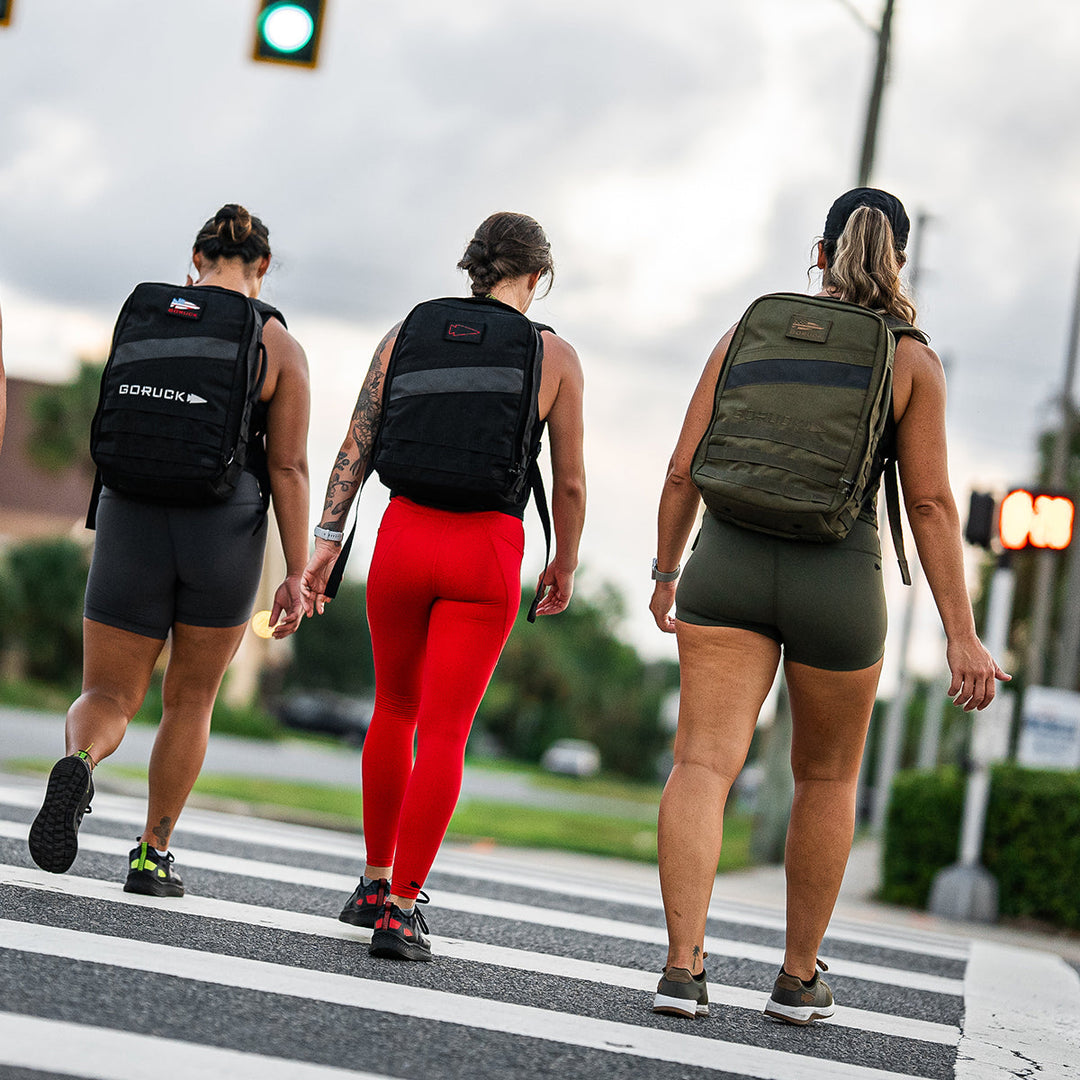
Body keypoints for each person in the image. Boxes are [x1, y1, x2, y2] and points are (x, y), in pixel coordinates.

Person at [648, 188, 1009, 1024]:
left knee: (702, 764)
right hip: (839, 582)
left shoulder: (749, 330)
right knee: (828, 776)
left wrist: (667, 572)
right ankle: (797, 977)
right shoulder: (911, 358)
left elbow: (681, 467)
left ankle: (682, 967)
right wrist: (963, 635)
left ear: (820, 251)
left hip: (727, 566)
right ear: (902, 262)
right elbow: (928, 507)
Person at [301, 211, 586, 962]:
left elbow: (356, 443)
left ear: (472, 268)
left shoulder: (407, 333)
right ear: (538, 275)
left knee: (392, 708)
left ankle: (373, 880)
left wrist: (327, 542)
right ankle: (401, 912)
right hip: (486, 549)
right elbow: (572, 482)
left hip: (401, 537)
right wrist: (564, 561)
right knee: (447, 730)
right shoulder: (553, 354)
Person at [28, 204, 311, 895]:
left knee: (107, 693)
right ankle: (152, 855)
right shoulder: (277, 344)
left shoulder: (147, 317)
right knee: (191, 700)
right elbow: (289, 469)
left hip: (130, 518)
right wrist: (298, 573)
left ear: (195, 258)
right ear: (263, 267)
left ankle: (83, 761)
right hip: (224, 529)